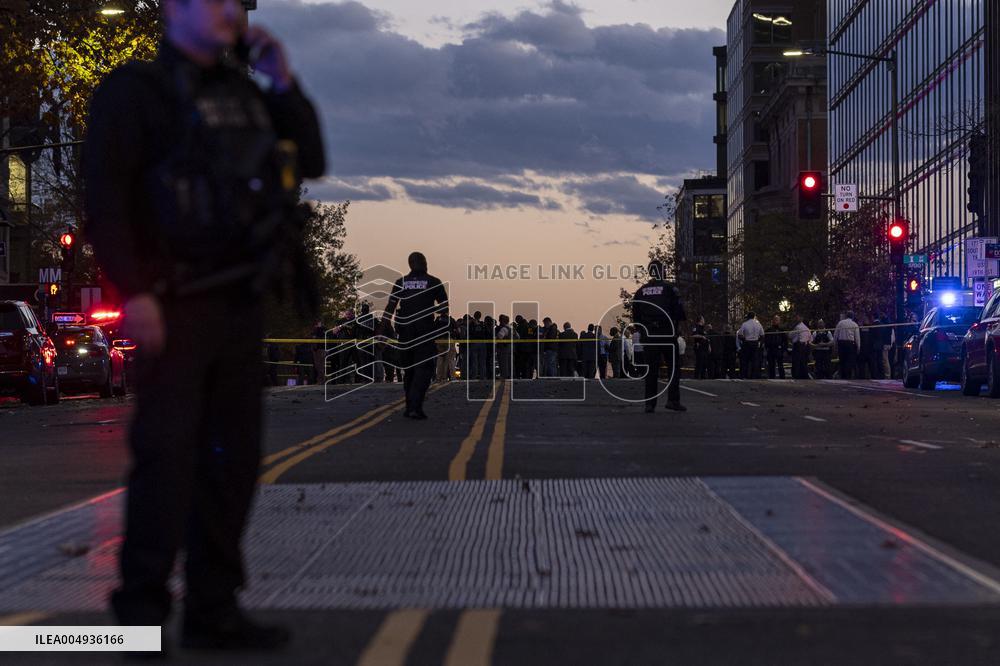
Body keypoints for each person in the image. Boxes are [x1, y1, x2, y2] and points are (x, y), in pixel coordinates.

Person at [83, 0, 325, 649]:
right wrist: (133, 291)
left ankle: (214, 608)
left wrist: (283, 80)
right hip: (174, 302)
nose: (230, 11)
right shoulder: (136, 92)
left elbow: (313, 158)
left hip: (239, 303)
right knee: (166, 460)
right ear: (174, 9)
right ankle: (140, 617)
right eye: (214, 0)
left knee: (234, 464)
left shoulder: (244, 93)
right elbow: (106, 199)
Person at [384, 252, 449, 418]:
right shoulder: (433, 282)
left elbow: (390, 308)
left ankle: (410, 406)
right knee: (424, 369)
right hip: (424, 332)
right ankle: (415, 406)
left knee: (409, 371)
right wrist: (437, 321)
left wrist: (383, 329)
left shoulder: (401, 282)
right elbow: (444, 307)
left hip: (405, 332)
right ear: (422, 263)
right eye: (424, 261)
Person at [632, 261, 687, 412]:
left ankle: (650, 404)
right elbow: (679, 312)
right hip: (667, 333)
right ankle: (673, 400)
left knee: (651, 370)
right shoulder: (670, 289)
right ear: (662, 271)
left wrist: (643, 331)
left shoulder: (641, 291)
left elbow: (636, 316)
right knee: (673, 368)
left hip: (649, 335)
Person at [737, 312, 764, 379]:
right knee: (754, 360)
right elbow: (762, 335)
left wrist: (744, 340)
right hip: (755, 343)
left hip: (747, 342)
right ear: (754, 316)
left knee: (745, 360)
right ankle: (754, 375)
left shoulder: (745, 324)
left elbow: (740, 334)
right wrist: (758, 341)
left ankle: (744, 375)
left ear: (748, 317)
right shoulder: (758, 324)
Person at [834, 311, 861, 379]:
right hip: (850, 345)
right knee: (849, 362)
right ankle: (848, 377)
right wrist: (858, 347)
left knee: (842, 361)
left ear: (846, 316)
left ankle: (843, 377)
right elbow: (857, 338)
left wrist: (835, 345)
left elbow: (835, 335)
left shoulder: (840, 323)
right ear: (853, 316)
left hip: (841, 344)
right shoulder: (854, 324)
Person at [789, 314, 812, 379]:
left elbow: (791, 336)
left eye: (797, 317)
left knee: (797, 362)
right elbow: (810, 339)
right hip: (805, 347)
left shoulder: (798, 327)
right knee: (803, 362)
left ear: (801, 318)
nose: (796, 319)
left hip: (799, 346)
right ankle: (803, 375)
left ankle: (797, 376)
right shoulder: (806, 328)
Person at [764, 315, 787, 379]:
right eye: (774, 320)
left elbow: (785, 340)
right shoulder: (768, 330)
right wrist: (766, 348)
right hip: (771, 349)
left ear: (779, 321)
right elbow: (766, 340)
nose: (775, 321)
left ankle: (782, 377)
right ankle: (772, 377)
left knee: (780, 364)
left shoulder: (781, 330)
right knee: (771, 365)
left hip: (779, 349)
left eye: (777, 320)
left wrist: (784, 349)